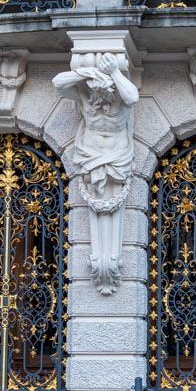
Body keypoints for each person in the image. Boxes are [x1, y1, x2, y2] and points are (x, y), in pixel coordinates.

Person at [53, 52, 139, 294]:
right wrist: (88, 73)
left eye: (104, 87)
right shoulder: (84, 92)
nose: (99, 93)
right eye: (95, 88)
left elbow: (133, 96)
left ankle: (110, 261)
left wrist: (114, 73)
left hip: (117, 157)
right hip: (90, 156)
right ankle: (101, 261)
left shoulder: (121, 93)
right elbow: (58, 82)